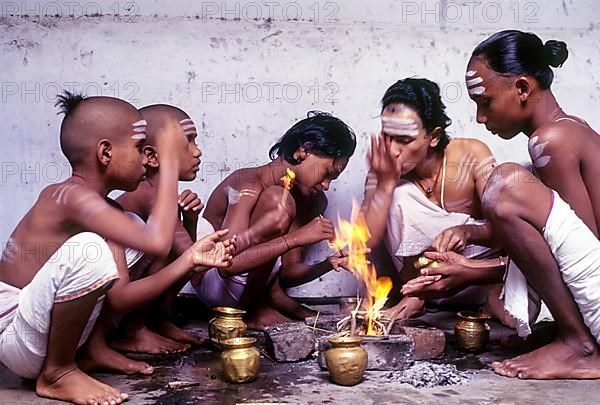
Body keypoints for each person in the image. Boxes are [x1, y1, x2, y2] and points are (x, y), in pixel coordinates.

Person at [0, 92, 231, 404]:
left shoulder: (107, 209)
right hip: (16, 334)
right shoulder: (69, 196)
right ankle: (58, 372)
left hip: (42, 329)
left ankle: (93, 350)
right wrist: (168, 162)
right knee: (89, 249)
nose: (144, 156)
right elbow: (158, 241)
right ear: (106, 152)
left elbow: (120, 297)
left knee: (132, 227)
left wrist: (190, 258)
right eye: (138, 148)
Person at [77, 104, 235, 375]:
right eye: (187, 141)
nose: (197, 151)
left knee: (176, 253)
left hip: (119, 296)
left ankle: (152, 321)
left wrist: (192, 222)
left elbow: (186, 256)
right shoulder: (148, 193)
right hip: (100, 307)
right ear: (151, 156)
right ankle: (132, 330)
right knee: (170, 253)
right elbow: (191, 259)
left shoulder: (156, 194)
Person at [185, 111, 356, 328]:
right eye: (327, 173)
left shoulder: (311, 199)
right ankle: (254, 310)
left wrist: (328, 264)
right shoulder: (247, 182)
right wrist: (295, 238)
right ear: (303, 151)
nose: (326, 185)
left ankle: (269, 303)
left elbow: (287, 275)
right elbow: (227, 266)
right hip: (217, 285)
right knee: (278, 200)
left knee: (284, 202)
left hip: (260, 287)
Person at [361, 78, 506, 322]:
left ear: (434, 136)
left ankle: (494, 299)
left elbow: (509, 228)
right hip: (420, 286)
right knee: (399, 192)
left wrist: (467, 231)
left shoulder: (471, 154)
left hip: (478, 277)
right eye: (388, 137)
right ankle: (419, 298)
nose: (393, 150)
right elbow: (364, 242)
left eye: (405, 140)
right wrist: (385, 184)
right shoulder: (382, 168)